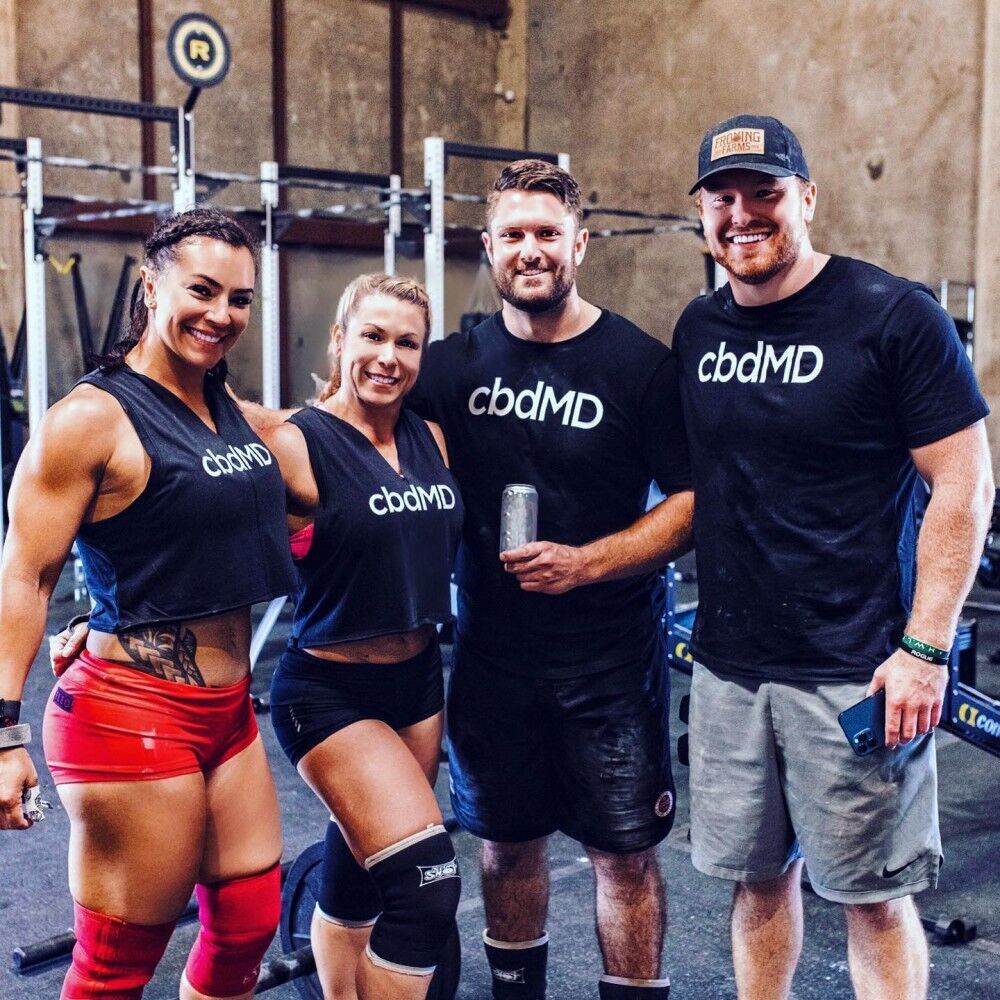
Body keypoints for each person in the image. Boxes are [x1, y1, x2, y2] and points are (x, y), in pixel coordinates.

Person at [673, 114, 994, 1000]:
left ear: (807, 198)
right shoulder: (699, 329)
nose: (743, 214)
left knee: (873, 899)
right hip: (730, 668)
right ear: (702, 214)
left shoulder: (893, 317)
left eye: (765, 193)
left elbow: (964, 485)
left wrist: (926, 648)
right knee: (756, 881)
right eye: (722, 198)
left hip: (856, 670)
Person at [407, 160, 693, 1000]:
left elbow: (691, 502)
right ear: (488, 246)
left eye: (547, 234)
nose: (530, 250)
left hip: (610, 665)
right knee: (504, 845)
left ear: (580, 244)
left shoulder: (639, 366)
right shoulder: (447, 368)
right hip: (492, 658)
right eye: (514, 235)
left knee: (624, 858)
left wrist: (587, 563)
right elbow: (351, 437)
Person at [0, 208, 297, 1000]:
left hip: (228, 711)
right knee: (115, 967)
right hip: (129, 713)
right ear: (151, 284)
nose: (221, 314)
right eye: (202, 290)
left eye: (239, 299)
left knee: (246, 924)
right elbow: (24, 576)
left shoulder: (221, 402)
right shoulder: (89, 419)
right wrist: (3, 733)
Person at [263, 273, 463, 1000]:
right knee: (426, 886)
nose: (388, 357)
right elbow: (201, 525)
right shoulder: (296, 442)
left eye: (407, 343)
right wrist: (97, 617)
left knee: (358, 865)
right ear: (340, 339)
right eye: (372, 336)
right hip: (327, 691)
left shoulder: (430, 437)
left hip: (417, 682)